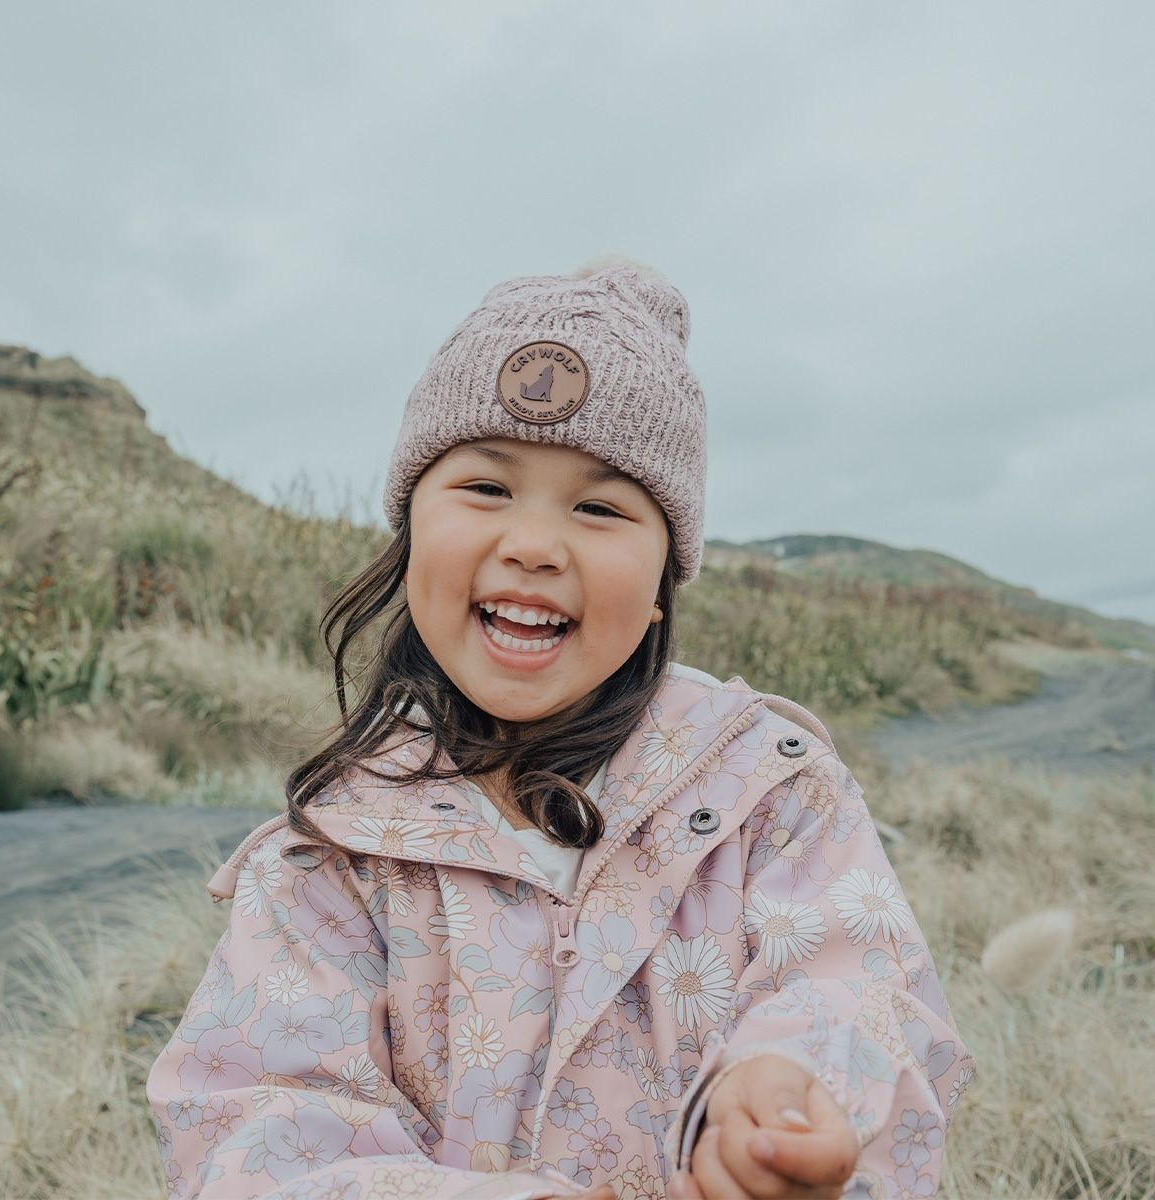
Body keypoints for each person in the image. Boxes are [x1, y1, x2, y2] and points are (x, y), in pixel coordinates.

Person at [147, 258, 975, 1199]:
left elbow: (862, 994)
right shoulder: (330, 857)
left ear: (663, 584)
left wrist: (789, 1087)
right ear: (410, 530)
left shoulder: (772, 792)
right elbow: (254, 1131)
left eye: (600, 507)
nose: (535, 545)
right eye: (486, 490)